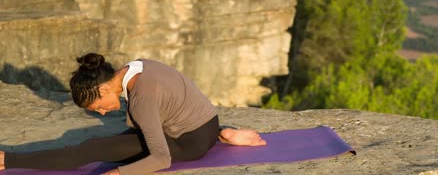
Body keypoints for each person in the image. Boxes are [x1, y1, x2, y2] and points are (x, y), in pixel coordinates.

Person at [0, 53, 266, 174]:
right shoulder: (138, 66)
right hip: (208, 125)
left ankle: (7, 160)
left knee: (91, 148)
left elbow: (161, 159)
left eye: (99, 106)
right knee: (115, 142)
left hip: (188, 144)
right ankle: (223, 133)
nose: (102, 113)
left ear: (104, 88)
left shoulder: (141, 98)